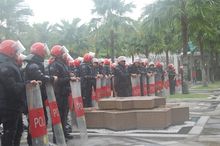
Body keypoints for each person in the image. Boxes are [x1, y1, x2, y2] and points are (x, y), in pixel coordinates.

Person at [24, 42, 56, 146]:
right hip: (34, 100)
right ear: (40, 52)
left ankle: (40, 142)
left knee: (41, 121)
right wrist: (52, 78)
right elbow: (40, 77)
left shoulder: (35, 63)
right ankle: (33, 143)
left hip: (38, 99)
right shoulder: (33, 65)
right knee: (35, 123)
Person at [0, 40, 29, 146]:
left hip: (12, 105)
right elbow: (13, 88)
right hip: (9, 106)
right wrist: (27, 84)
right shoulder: (6, 66)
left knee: (17, 132)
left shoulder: (7, 64)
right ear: (10, 52)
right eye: (16, 51)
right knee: (9, 134)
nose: (18, 53)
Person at [48, 45, 74, 141]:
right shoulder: (55, 65)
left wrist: (70, 75)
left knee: (64, 115)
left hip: (65, 93)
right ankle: (57, 136)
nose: (65, 54)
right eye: (63, 52)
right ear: (58, 54)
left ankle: (64, 133)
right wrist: (69, 78)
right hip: (58, 94)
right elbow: (56, 81)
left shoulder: (63, 64)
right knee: (58, 116)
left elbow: (64, 76)